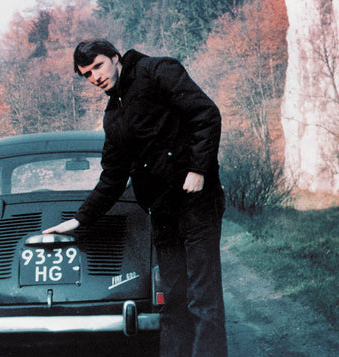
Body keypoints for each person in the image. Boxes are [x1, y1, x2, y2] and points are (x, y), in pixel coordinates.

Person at [43, 39, 227, 357]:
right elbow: (112, 178)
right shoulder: (113, 117)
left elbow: (206, 115)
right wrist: (79, 218)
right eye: (87, 74)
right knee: (173, 300)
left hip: (196, 202)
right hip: (163, 211)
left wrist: (198, 169)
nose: (95, 77)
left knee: (202, 297)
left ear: (115, 57)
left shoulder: (157, 71)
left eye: (98, 66)